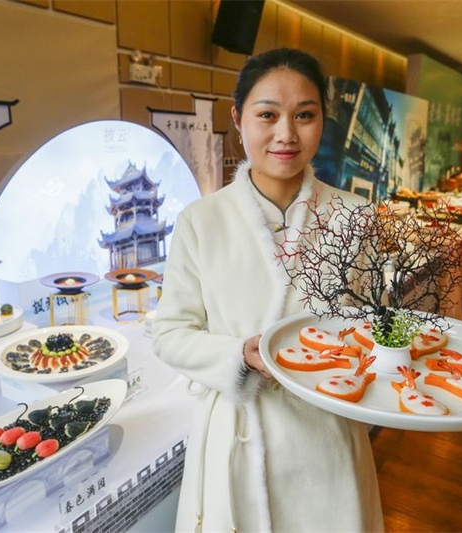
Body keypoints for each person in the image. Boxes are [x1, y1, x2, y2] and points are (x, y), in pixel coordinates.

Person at [152, 48, 383, 532]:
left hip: (326, 430)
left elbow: (369, 325)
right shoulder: (202, 220)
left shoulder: (354, 215)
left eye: (304, 115)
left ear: (323, 119)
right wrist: (240, 354)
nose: (286, 134)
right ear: (238, 119)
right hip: (235, 429)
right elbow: (170, 332)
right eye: (267, 115)